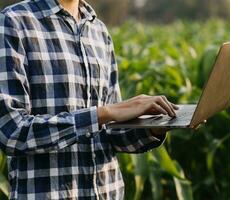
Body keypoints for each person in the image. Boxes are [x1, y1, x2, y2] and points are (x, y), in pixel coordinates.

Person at [0, 0, 178, 199]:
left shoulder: (98, 31)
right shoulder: (13, 22)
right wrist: (101, 114)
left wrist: (155, 127)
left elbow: (111, 135)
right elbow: (11, 132)